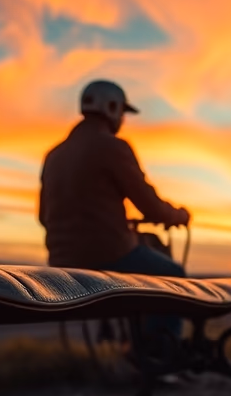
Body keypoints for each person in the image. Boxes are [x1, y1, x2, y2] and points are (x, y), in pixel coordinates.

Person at [39, 80, 190, 351]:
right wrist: (177, 215)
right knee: (172, 274)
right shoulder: (113, 147)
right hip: (109, 256)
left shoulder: (54, 154)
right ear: (110, 108)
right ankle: (160, 356)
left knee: (143, 248)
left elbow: (43, 216)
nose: (122, 119)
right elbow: (150, 206)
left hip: (61, 260)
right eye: (121, 111)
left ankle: (135, 344)